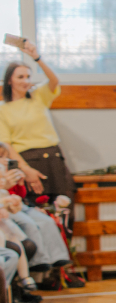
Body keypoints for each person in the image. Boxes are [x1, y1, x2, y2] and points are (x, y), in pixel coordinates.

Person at [0, 43, 74, 203]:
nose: (26, 81)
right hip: (28, 161)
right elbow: (7, 146)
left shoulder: (38, 96)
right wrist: (26, 170)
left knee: (64, 207)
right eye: (20, 77)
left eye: (28, 76)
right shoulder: (3, 109)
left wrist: (37, 57)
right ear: (9, 81)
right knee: (38, 209)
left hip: (54, 158)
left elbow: (54, 80)